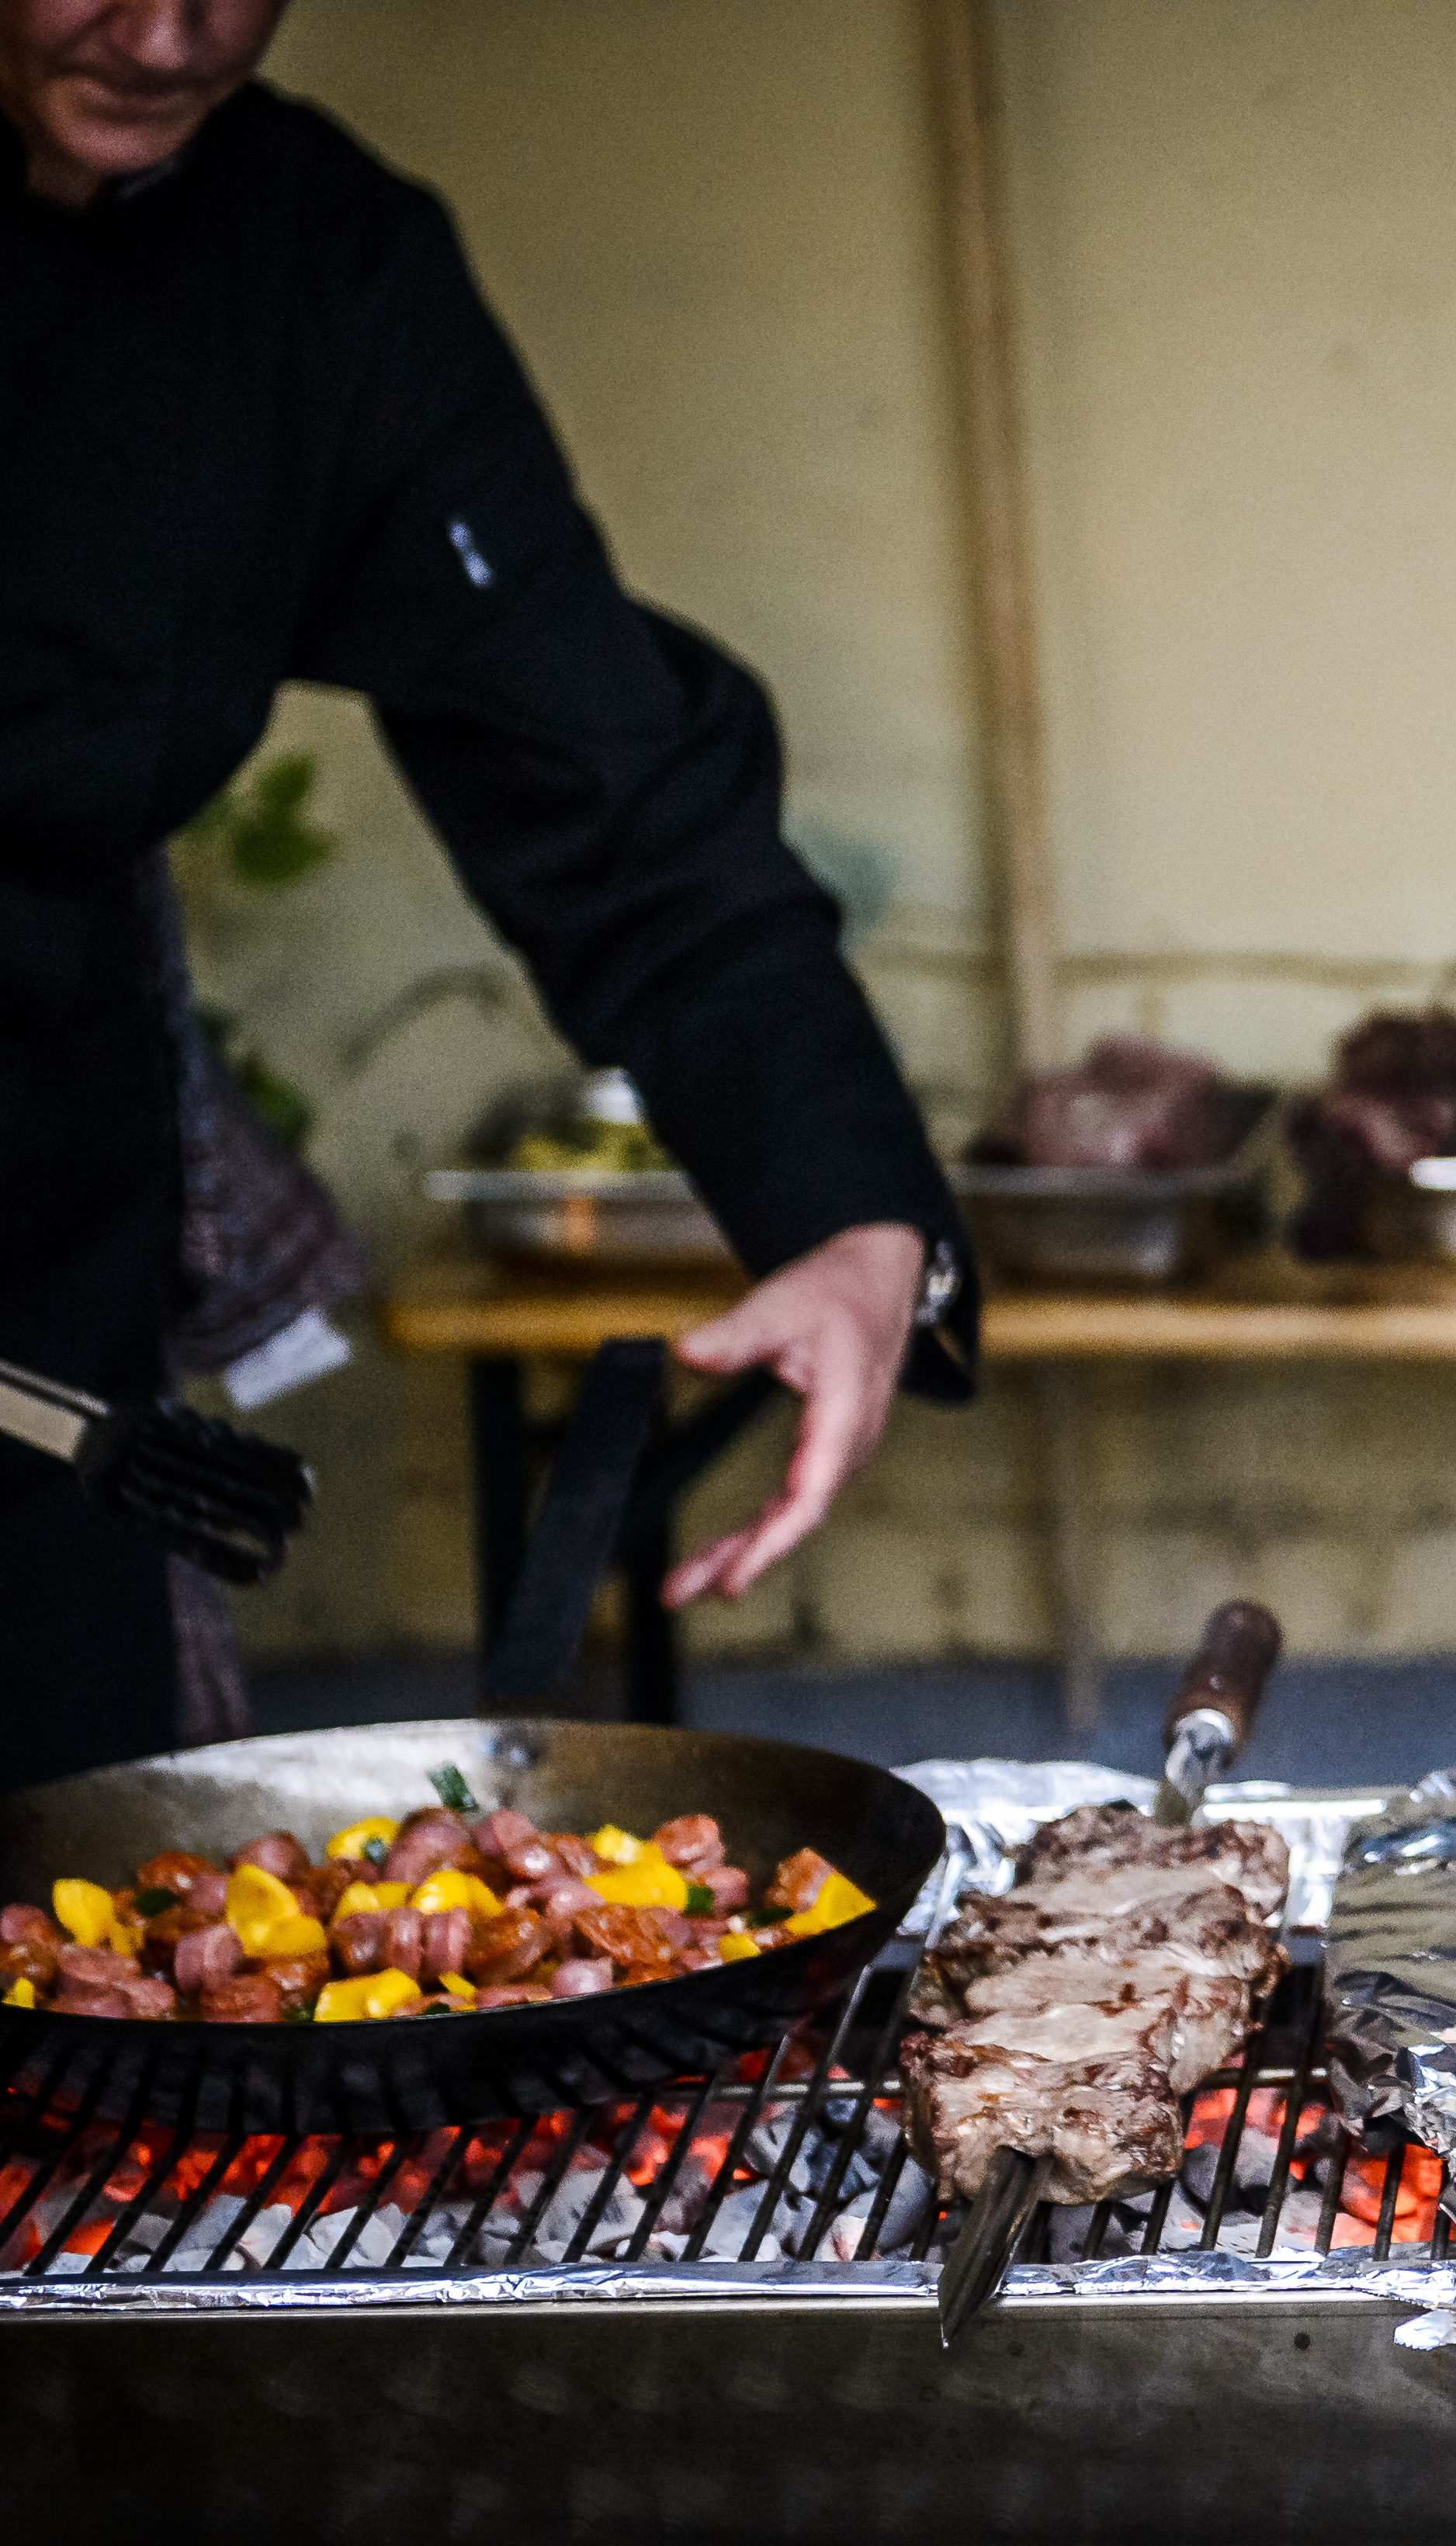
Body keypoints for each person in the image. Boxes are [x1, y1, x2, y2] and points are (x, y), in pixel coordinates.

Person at [0, 0, 979, 1785]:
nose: (163, 31)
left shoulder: (317, 263)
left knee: (61, 1932)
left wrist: (844, 1204)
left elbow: (601, 758)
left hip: (42, 1222)